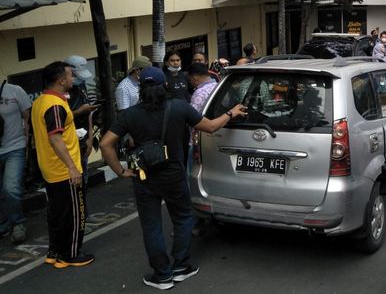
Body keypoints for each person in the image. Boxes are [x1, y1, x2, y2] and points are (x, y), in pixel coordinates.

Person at [99, 66, 247, 290]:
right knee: (182, 218)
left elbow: (105, 144)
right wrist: (231, 113)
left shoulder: (130, 115)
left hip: (144, 177)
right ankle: (181, 267)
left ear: (141, 89)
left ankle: (162, 275)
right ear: (165, 86)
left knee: (151, 226)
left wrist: (121, 171)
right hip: (174, 175)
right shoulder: (179, 108)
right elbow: (210, 126)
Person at [30, 61, 94, 268]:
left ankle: (55, 251)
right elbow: (55, 138)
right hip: (64, 170)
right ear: (60, 80)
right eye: (70, 74)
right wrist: (72, 167)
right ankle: (70, 255)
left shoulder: (42, 101)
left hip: (51, 169)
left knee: (57, 212)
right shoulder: (54, 104)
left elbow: (59, 123)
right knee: (76, 213)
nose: (72, 78)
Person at [63, 55, 99, 218]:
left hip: (83, 140)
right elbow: (59, 118)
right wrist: (79, 111)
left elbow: (89, 114)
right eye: (74, 76)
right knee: (70, 181)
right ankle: (72, 213)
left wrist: (91, 138)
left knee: (83, 178)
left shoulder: (81, 87)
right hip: (67, 144)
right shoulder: (60, 93)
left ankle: (81, 210)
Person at [0, 78, 32, 245]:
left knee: (11, 187)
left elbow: (27, 116)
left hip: (14, 147)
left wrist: (26, 143)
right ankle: (3, 224)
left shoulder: (14, 90)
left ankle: (18, 223)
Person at [186, 62, 218, 176]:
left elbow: (192, 118)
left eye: (190, 79)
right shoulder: (218, 86)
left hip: (198, 140)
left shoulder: (199, 93)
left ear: (195, 77)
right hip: (216, 137)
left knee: (193, 174)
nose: (190, 82)